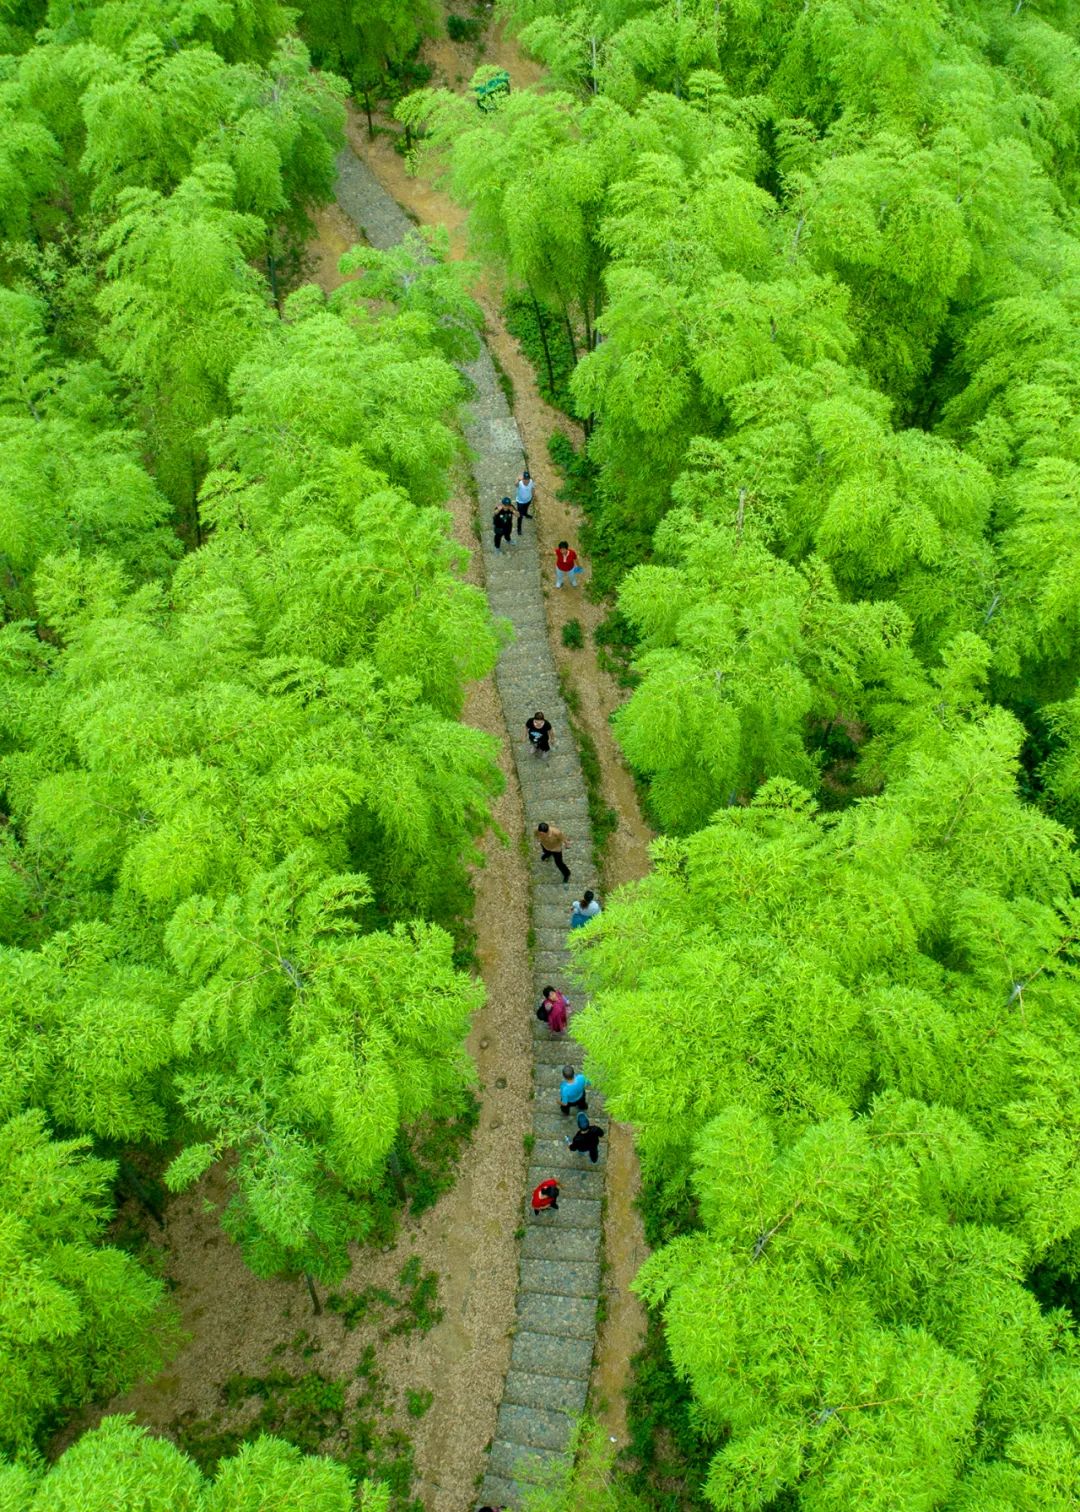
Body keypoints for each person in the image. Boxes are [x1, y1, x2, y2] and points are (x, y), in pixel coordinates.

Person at [515, 469, 535, 534]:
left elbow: (532, 488)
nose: (526, 481)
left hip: (528, 500)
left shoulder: (531, 481)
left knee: (526, 509)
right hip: (520, 502)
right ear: (523, 479)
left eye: (527, 479)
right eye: (525, 479)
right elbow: (515, 484)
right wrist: (518, 479)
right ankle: (519, 528)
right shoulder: (520, 484)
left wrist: (532, 495)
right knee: (520, 516)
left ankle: (526, 514)